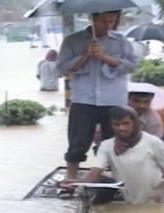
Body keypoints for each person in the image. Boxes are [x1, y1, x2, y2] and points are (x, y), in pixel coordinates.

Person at [57, 10, 137, 179]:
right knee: (78, 141)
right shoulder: (72, 41)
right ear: (92, 18)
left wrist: (105, 57)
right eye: (103, 21)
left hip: (114, 99)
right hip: (84, 99)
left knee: (116, 141)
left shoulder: (121, 41)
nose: (107, 26)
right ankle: (70, 177)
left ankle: (118, 177)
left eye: (111, 21)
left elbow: (132, 65)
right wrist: (85, 55)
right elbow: (62, 68)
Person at [63, 106, 164, 204]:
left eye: (126, 123)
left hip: (160, 201)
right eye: (116, 124)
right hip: (132, 202)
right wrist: (73, 182)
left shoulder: (152, 142)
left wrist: (162, 190)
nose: (121, 128)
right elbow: (94, 175)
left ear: (135, 123)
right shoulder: (106, 146)